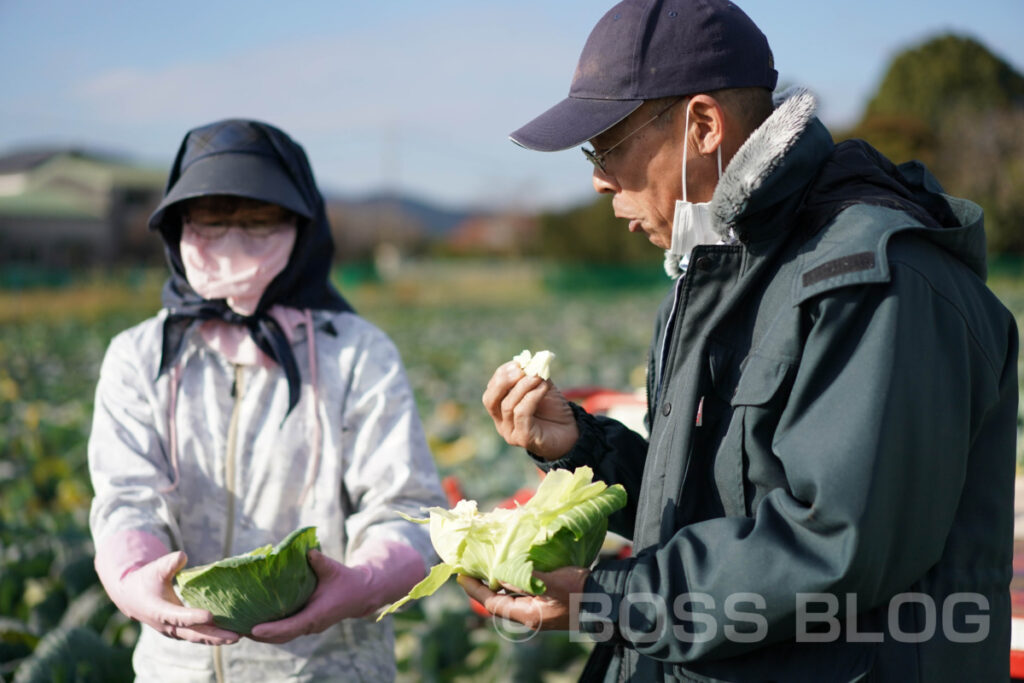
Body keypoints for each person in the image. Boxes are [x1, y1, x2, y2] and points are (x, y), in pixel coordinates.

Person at [464, 1, 1019, 681]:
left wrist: (606, 597)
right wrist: (584, 445)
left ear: (702, 125)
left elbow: (830, 547)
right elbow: (722, 508)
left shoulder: (876, 281)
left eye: (607, 144)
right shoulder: (726, 266)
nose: (597, 177)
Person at [88, 118, 446, 681]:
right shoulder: (140, 357)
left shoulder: (355, 354)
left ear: (302, 228)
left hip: (331, 666)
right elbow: (126, 497)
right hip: (177, 668)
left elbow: (407, 504)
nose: (232, 239)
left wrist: (365, 582)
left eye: (258, 221)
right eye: (211, 220)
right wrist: (133, 576)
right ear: (178, 226)